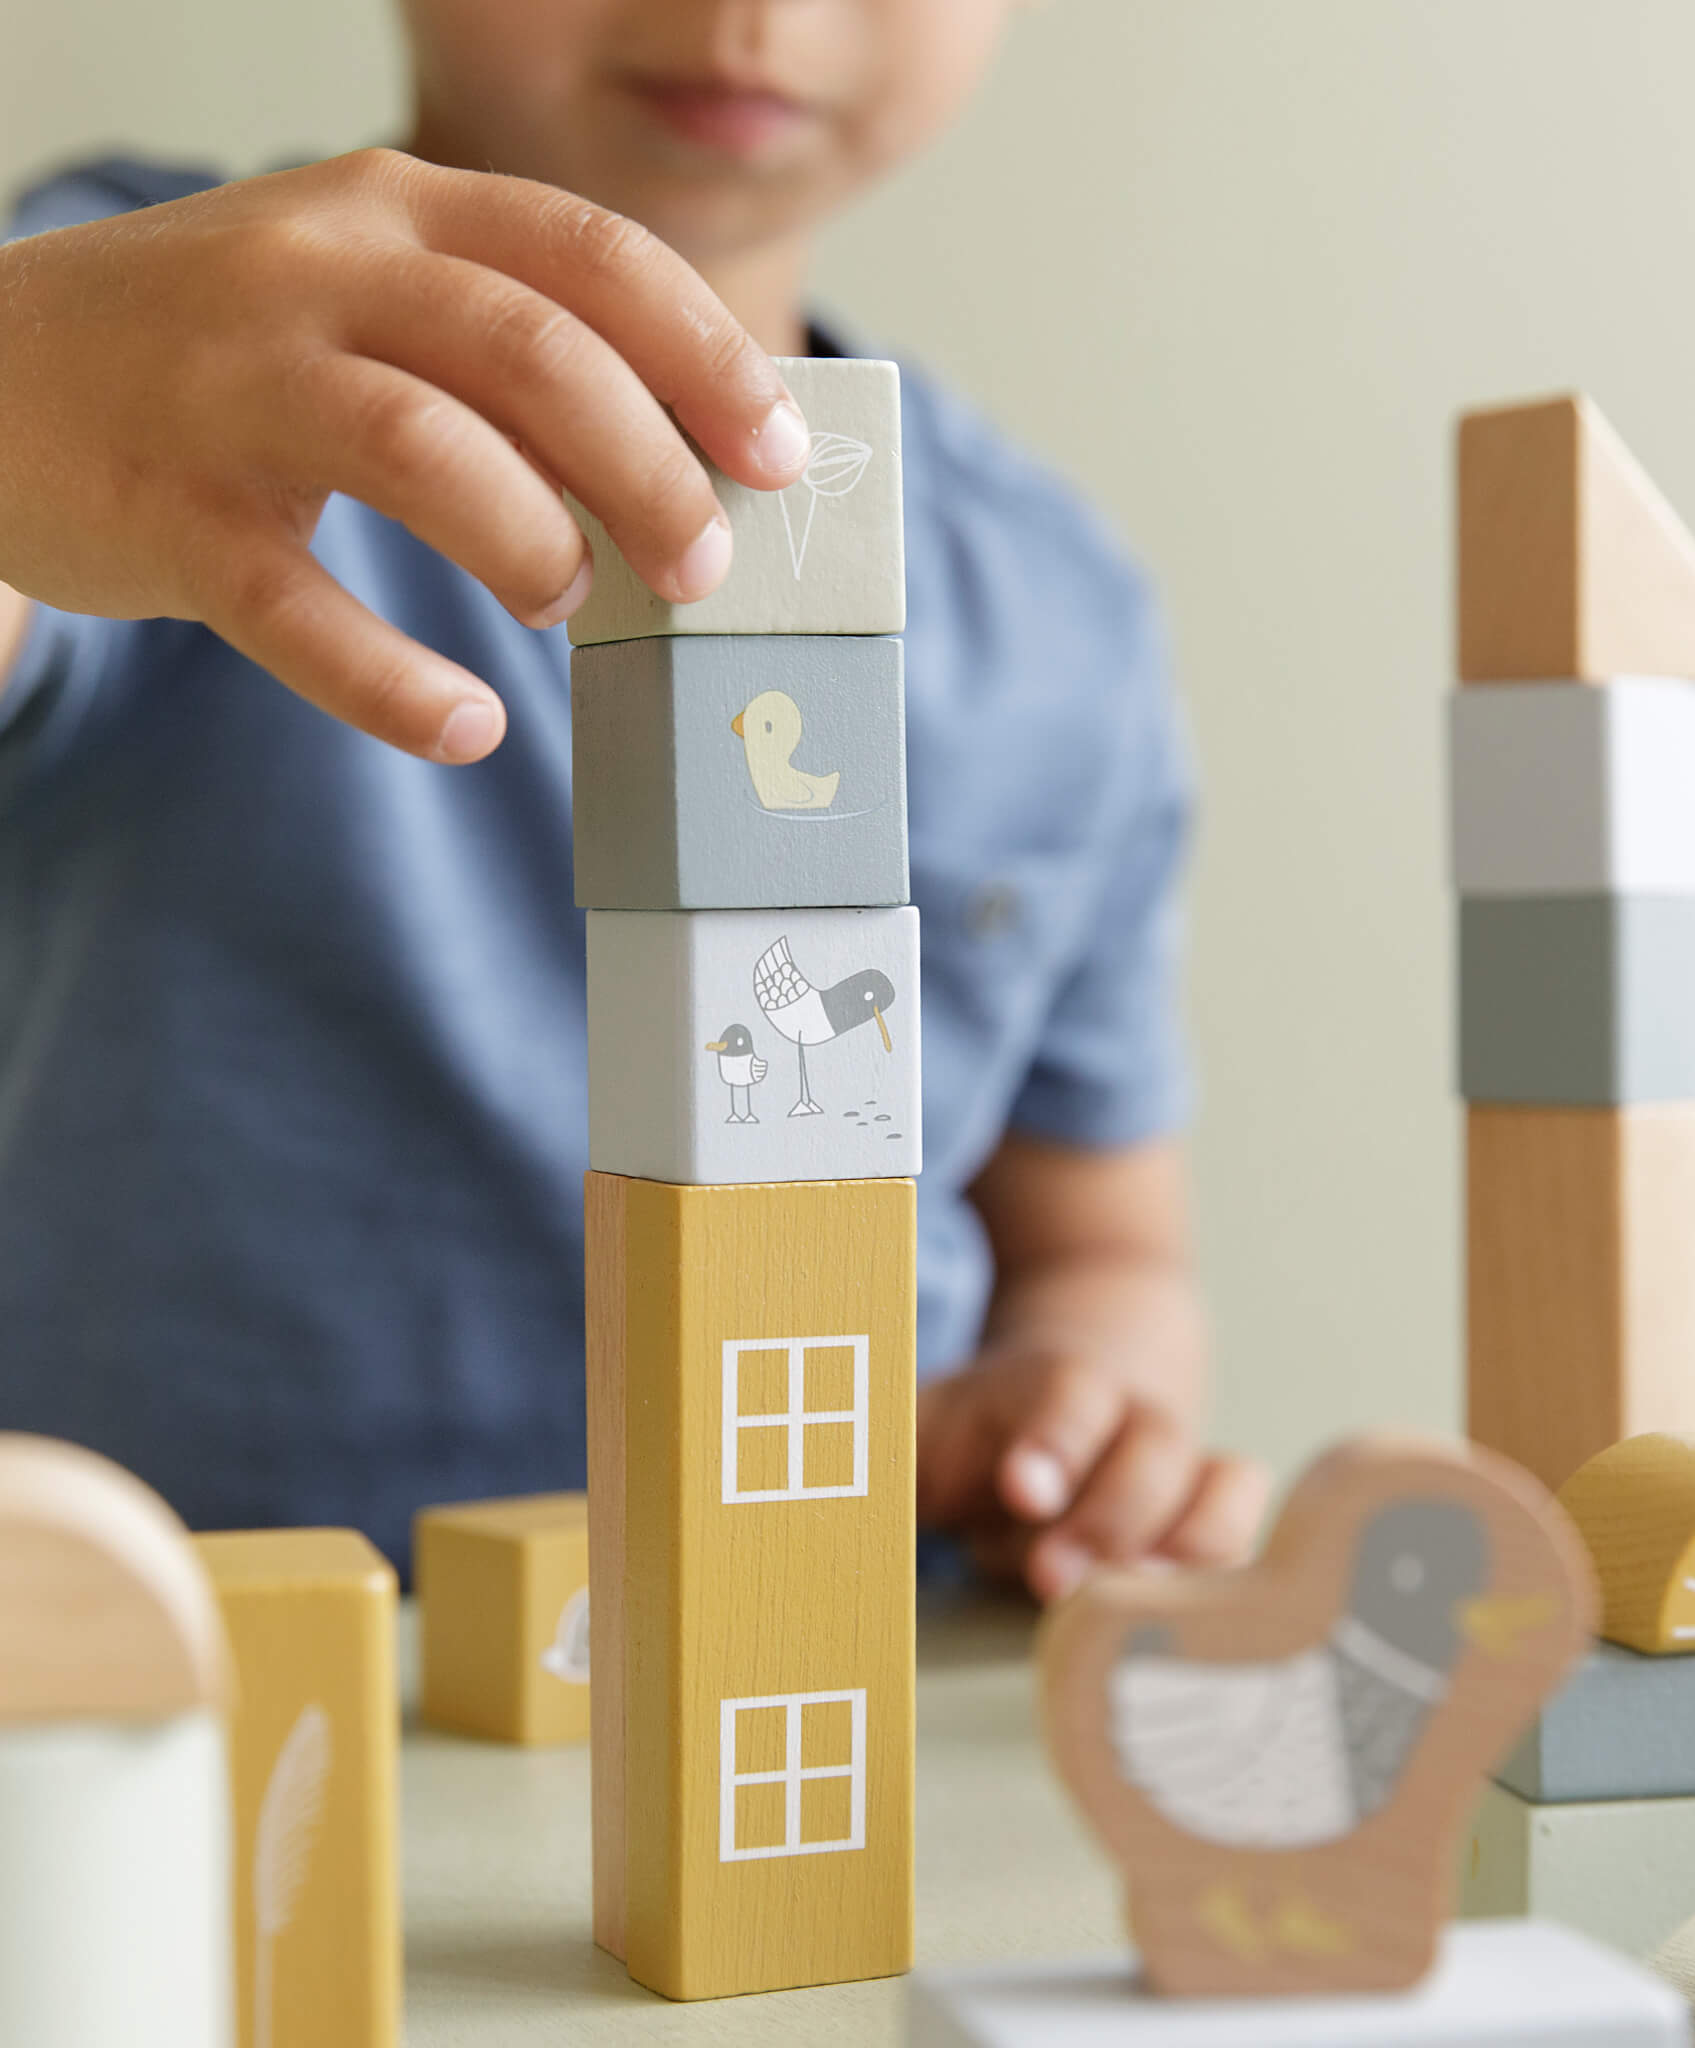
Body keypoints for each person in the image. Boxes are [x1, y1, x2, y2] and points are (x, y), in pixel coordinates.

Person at [0, 0, 1266, 1597]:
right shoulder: (143, 351)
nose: (757, 18)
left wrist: (1075, 1419)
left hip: (824, 1640)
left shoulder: (1055, 613)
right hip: (180, 1682)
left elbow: (1101, 1251)